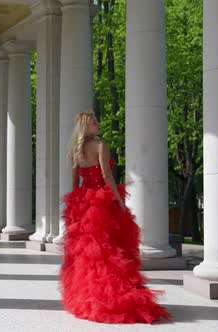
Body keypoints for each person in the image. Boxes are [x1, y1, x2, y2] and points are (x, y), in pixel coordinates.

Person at [59, 111, 169, 324]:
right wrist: (119, 200)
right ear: (86, 126)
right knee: (110, 250)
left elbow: (74, 182)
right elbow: (107, 175)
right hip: (101, 202)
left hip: (84, 203)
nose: (97, 124)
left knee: (88, 254)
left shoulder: (76, 150)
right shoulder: (101, 146)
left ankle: (87, 298)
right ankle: (113, 297)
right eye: (93, 122)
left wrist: (76, 204)